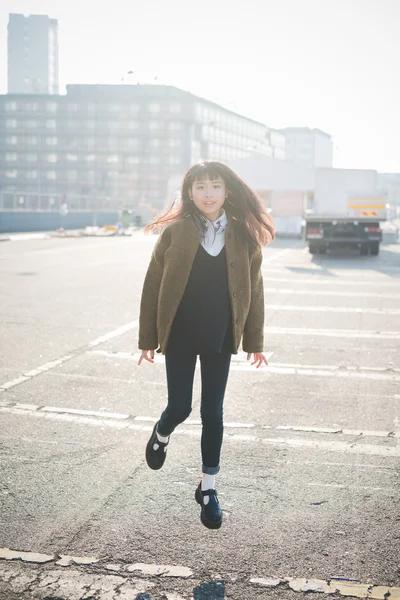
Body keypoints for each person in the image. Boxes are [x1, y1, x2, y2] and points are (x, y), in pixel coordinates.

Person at [138, 160, 275, 530]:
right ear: (189, 193)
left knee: (213, 413)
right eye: (200, 187)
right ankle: (161, 433)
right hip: (180, 333)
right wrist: (147, 339)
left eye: (215, 186)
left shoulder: (243, 236)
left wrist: (254, 341)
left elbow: (255, 290)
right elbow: (153, 284)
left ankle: (209, 488)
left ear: (227, 191)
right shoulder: (176, 232)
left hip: (220, 335)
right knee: (180, 407)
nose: (208, 193)